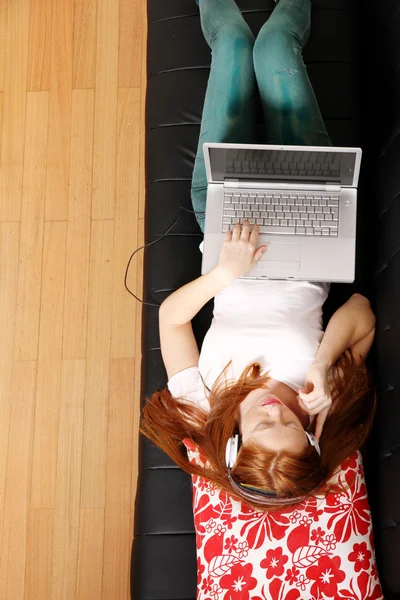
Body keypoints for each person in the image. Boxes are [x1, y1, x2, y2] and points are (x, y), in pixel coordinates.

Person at [140, 0, 376, 511]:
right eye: (289, 426)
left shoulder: (203, 409)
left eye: (262, 426)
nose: (277, 412)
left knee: (233, 42)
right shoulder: (322, 402)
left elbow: (172, 320)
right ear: (310, 439)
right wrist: (322, 360)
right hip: (310, 212)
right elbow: (362, 312)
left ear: (233, 443)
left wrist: (226, 272)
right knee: (273, 45)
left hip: (227, 222)